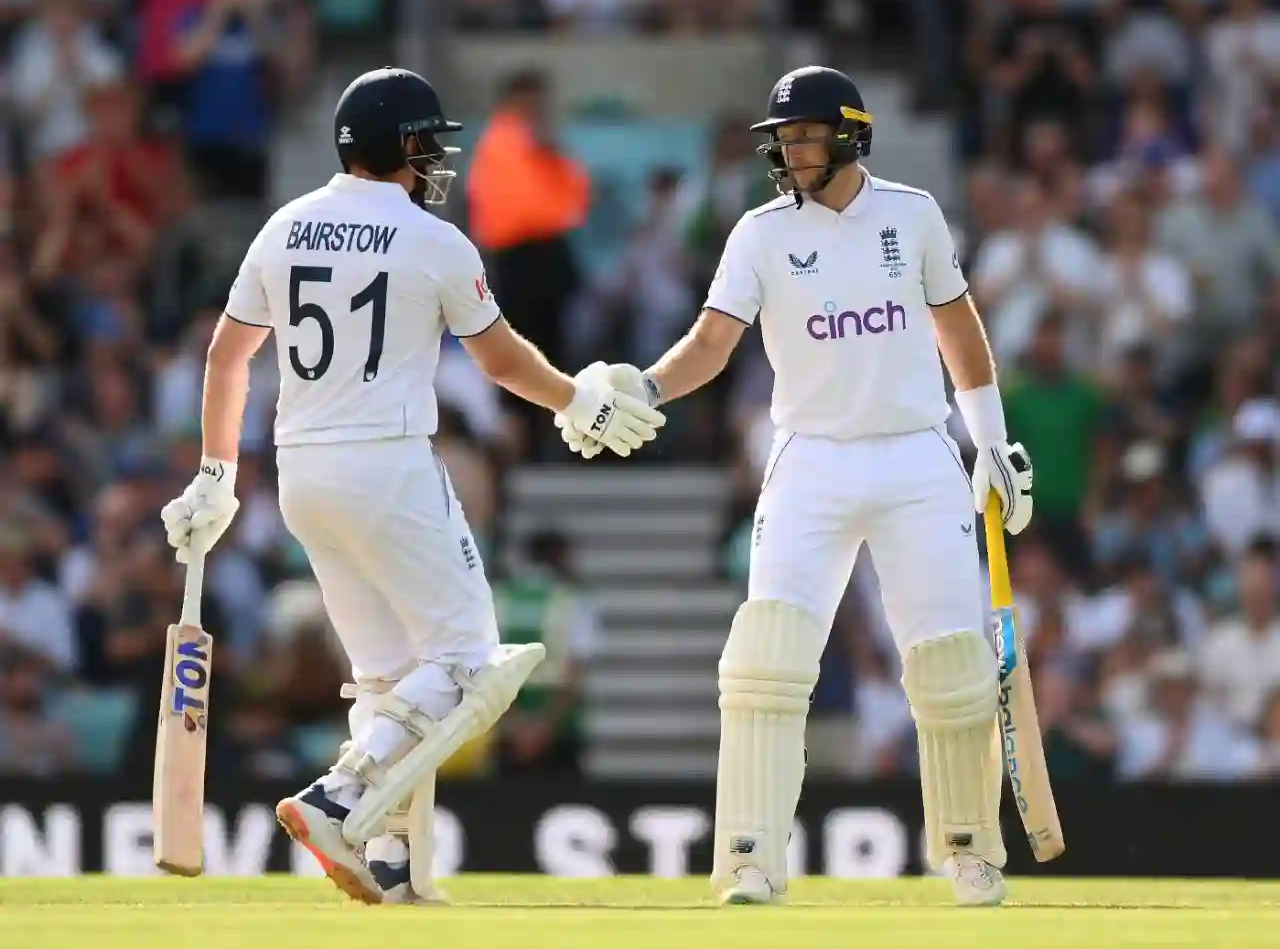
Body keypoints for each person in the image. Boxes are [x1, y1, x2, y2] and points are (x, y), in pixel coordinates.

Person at [158, 67, 665, 906]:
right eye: (428, 144)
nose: (436, 161)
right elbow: (500, 359)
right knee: (473, 659)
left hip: (301, 472)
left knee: (387, 675)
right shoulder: (434, 241)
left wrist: (215, 470)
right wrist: (580, 398)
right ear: (401, 147)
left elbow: (228, 356)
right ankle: (339, 793)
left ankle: (385, 855)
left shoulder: (286, 225)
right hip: (387, 464)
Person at [560, 66, 1034, 906]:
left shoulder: (913, 214)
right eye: (782, 139)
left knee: (952, 664)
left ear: (851, 134)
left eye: (806, 136)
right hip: (810, 458)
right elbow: (712, 341)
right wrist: (648, 388)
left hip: (917, 455)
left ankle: (968, 848)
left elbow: (957, 324)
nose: (790, 152)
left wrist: (991, 441)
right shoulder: (758, 233)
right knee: (765, 663)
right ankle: (750, 856)